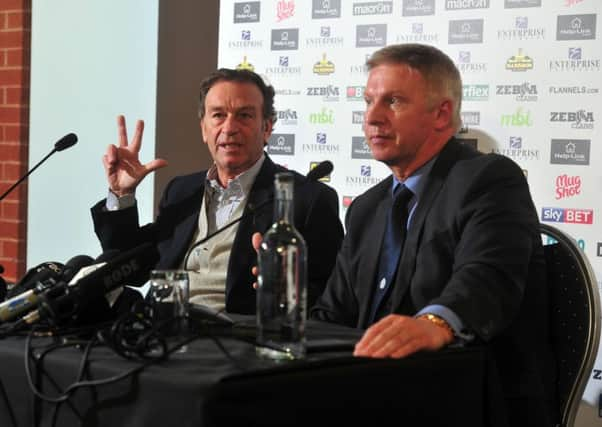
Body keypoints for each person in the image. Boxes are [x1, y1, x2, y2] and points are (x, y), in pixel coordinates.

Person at [308, 44, 557, 426]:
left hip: (464, 398)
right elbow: (334, 315)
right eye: (369, 101)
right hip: (367, 393)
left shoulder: (488, 179)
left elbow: (487, 278)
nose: (372, 118)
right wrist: (284, 301)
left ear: (441, 114)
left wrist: (435, 323)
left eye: (392, 102)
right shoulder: (366, 208)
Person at [91, 68, 343, 314]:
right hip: (161, 332)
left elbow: (329, 299)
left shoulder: (306, 199)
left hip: (236, 343)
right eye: (218, 115)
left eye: (244, 115)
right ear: (203, 128)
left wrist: (284, 291)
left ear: (267, 128)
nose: (229, 127)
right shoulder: (182, 191)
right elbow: (127, 267)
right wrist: (121, 194)